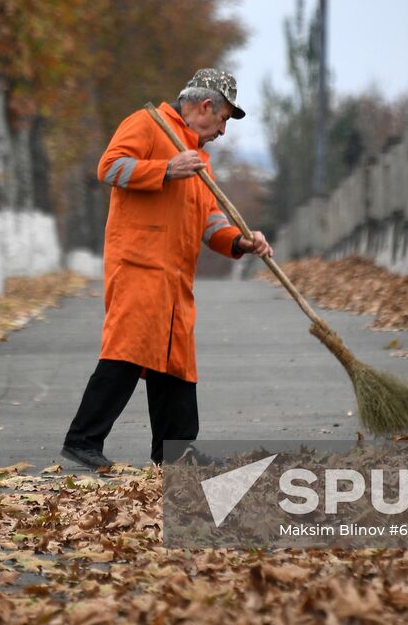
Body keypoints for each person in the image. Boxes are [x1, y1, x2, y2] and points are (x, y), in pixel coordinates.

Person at [60, 68, 272, 470]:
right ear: (206, 105)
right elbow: (109, 168)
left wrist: (239, 241)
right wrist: (164, 170)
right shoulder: (148, 124)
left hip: (176, 275)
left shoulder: (199, 159)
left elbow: (208, 220)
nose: (224, 130)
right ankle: (82, 439)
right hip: (139, 264)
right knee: (128, 351)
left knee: (176, 362)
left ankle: (175, 453)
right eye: (224, 118)